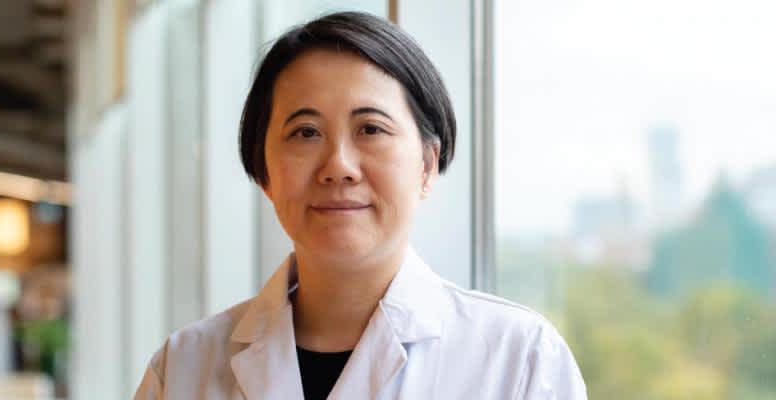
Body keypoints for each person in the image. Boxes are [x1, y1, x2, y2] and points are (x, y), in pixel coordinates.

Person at [135, 11, 586, 399]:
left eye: (371, 129)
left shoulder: (519, 361)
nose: (339, 167)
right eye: (305, 133)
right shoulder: (182, 370)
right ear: (263, 171)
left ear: (427, 165)